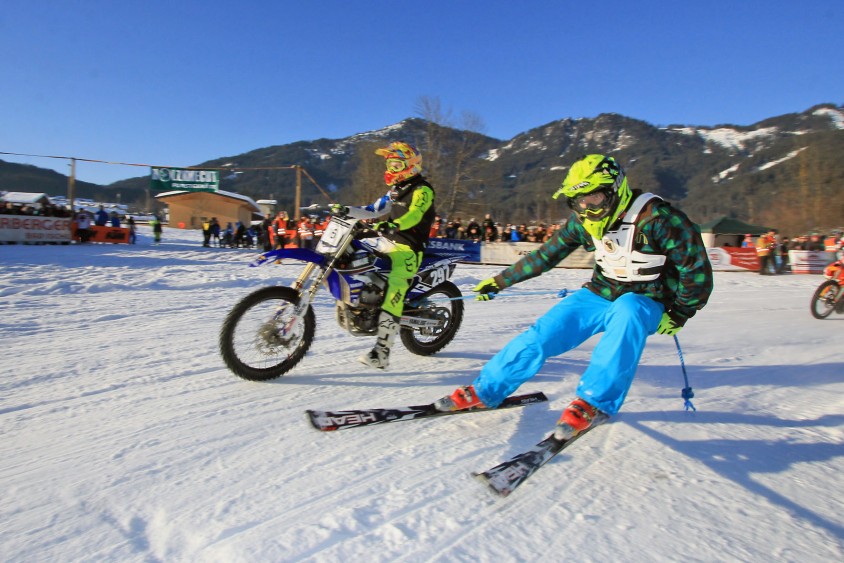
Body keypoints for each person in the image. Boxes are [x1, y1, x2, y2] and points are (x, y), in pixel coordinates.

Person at [433, 154, 713, 441]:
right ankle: (487, 389)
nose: (586, 207)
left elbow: (697, 270)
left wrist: (680, 312)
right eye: (578, 200)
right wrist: (500, 281)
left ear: (616, 190)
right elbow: (546, 255)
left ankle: (593, 402)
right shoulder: (582, 221)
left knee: (627, 310)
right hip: (600, 293)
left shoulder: (659, 219)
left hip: (646, 300)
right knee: (544, 334)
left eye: (594, 198)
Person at [331, 141, 436, 369]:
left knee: (394, 292)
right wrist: (346, 210)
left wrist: (395, 225)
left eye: (396, 164)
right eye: (390, 164)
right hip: (386, 242)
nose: (391, 169)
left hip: (408, 251)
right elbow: (373, 210)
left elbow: (415, 215)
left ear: (411, 165)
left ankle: (382, 352)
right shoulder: (395, 190)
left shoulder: (423, 190)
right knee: (353, 256)